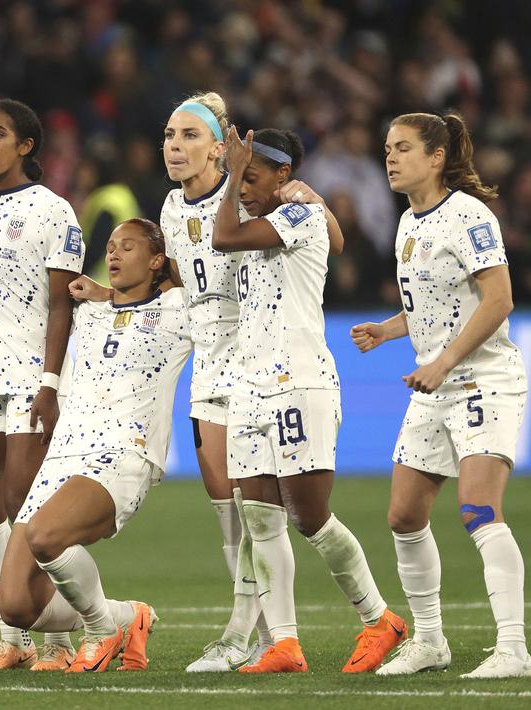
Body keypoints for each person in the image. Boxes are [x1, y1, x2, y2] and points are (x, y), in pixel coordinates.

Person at [69, 93, 343, 672]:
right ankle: (265, 636)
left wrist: (314, 197)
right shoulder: (169, 207)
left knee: (257, 513)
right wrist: (110, 295)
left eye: (189, 135)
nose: (175, 146)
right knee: (229, 513)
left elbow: (329, 242)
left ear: (221, 148)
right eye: (169, 135)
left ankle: (247, 633)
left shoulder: (248, 193)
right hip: (205, 363)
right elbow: (176, 281)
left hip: (256, 363)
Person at [213, 125, 405, 674]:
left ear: (283, 175)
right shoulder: (280, 216)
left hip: (299, 382)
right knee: (260, 516)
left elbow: (225, 237)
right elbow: (336, 239)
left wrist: (231, 180)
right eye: (240, 177)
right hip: (249, 388)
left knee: (311, 516)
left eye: (252, 176)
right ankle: (285, 644)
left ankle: (379, 619)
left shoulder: (295, 216)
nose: (243, 186)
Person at [353, 112, 529, 679]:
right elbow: (431, 303)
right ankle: (431, 641)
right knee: (404, 516)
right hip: (434, 383)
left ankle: (512, 648)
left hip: (483, 379)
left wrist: (443, 361)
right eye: (386, 148)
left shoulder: (470, 217)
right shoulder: (408, 223)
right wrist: (386, 329)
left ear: (436, 157)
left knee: (478, 509)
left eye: (403, 148)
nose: (390, 157)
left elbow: (497, 300)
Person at [0, 218, 188, 673]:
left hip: (123, 454)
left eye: (129, 247)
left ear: (158, 260)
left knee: (46, 535)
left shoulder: (180, 312)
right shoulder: (90, 310)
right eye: (110, 247)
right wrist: (105, 295)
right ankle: (126, 617)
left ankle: (101, 631)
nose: (115, 254)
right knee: (16, 605)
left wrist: (157, 279)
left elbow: (202, 277)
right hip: (64, 452)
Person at [0, 99, 83, 670]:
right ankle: (14, 641)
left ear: (25, 146)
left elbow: (62, 305)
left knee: (29, 508)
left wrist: (50, 382)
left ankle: (62, 641)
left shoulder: (54, 212)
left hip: (30, 376)